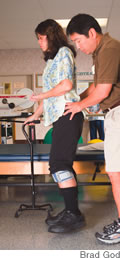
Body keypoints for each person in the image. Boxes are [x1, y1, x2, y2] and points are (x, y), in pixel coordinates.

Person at [65, 13, 120, 244]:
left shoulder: (109, 48)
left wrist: (78, 106)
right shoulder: (102, 52)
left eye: (79, 41)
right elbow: (95, 86)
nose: (78, 47)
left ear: (91, 33)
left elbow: (102, 92)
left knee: (114, 171)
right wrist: (77, 99)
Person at [24, 19, 85, 233]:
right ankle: (71, 211)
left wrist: (41, 95)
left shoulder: (64, 54)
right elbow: (49, 96)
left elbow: (66, 85)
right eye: (38, 39)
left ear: (51, 36)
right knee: (60, 164)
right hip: (59, 116)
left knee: (59, 164)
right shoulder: (50, 61)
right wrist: (35, 115)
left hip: (68, 113)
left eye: (41, 38)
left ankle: (73, 215)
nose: (39, 42)